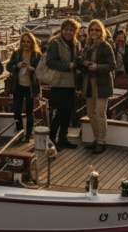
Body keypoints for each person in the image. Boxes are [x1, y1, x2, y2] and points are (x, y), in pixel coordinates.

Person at [80, 20, 116, 154]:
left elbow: (112, 65)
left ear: (101, 32)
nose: (94, 32)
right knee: (91, 113)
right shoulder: (87, 46)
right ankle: (97, 138)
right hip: (89, 83)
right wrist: (84, 63)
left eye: (97, 30)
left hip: (102, 84)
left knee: (100, 113)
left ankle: (102, 141)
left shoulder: (106, 46)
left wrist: (97, 67)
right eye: (92, 30)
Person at [45, 19, 80, 150]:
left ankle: (63, 138)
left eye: (71, 30)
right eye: (66, 29)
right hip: (59, 83)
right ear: (61, 30)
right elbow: (50, 62)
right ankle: (51, 139)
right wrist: (67, 65)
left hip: (71, 83)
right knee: (60, 112)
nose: (68, 32)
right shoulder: (55, 42)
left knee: (68, 112)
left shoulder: (76, 43)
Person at [6, 32, 42, 142]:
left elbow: (41, 70)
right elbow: (8, 67)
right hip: (18, 85)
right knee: (16, 110)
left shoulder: (37, 55)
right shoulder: (17, 53)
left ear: (32, 43)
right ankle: (20, 132)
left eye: (28, 42)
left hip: (30, 86)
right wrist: (16, 66)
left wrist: (34, 69)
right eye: (23, 41)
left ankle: (28, 135)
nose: (25, 44)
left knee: (29, 111)